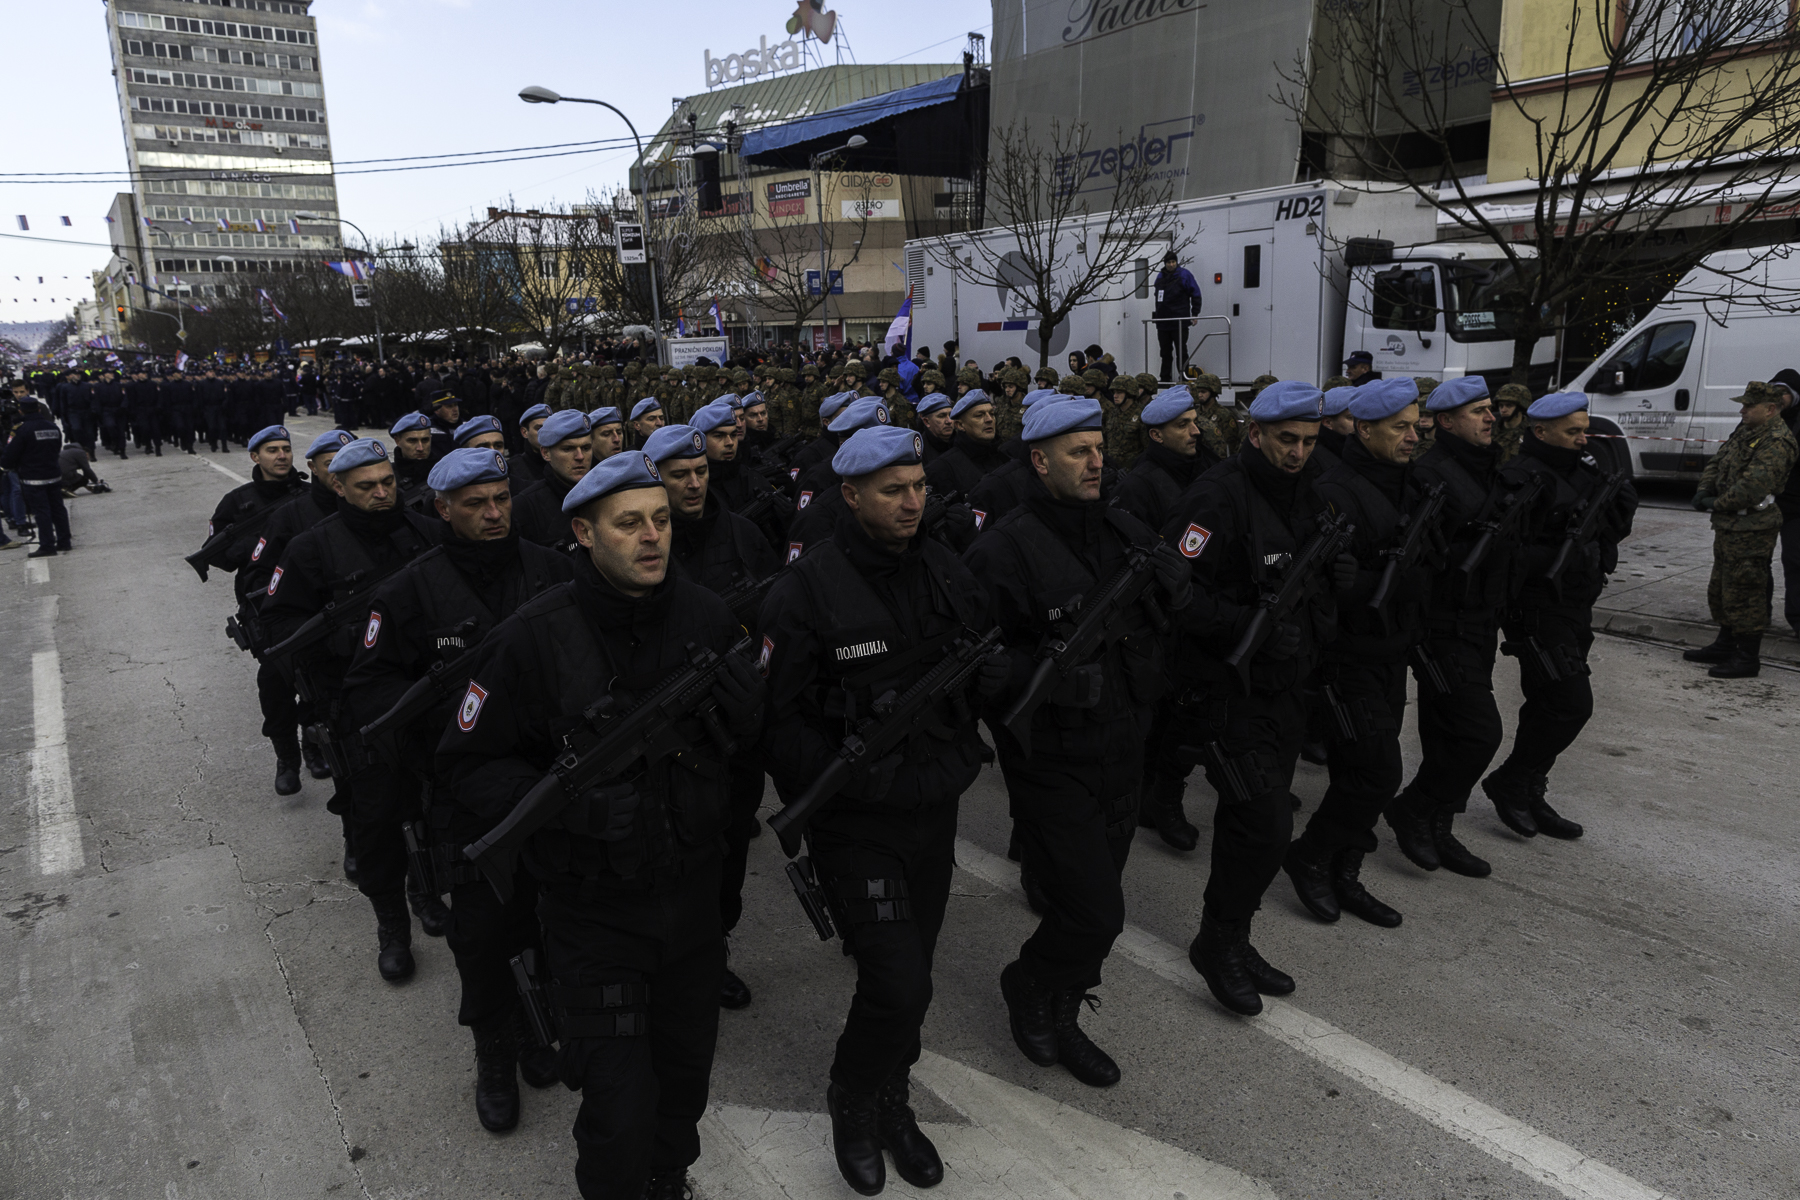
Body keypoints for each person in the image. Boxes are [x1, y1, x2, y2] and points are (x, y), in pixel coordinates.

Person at [437, 451, 764, 1200]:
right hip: (594, 918)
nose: (653, 537)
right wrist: (572, 808)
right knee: (618, 1110)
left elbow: (742, 759)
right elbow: (466, 764)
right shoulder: (532, 637)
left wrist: (749, 718)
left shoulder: (707, 616)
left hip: (691, 903)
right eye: (629, 525)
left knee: (683, 1085)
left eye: (660, 520)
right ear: (583, 533)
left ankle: (669, 1179)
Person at [761, 424, 1000, 1195]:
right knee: (897, 980)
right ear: (851, 495)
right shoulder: (803, 591)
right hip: (857, 820)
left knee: (915, 968)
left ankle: (895, 1097)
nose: (911, 502)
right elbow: (777, 721)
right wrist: (851, 776)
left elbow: (979, 664)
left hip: (933, 808)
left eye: (918, 487)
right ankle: (854, 1095)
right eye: (893, 491)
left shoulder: (941, 567)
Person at [342, 446, 573, 1133]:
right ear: (441, 509)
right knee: (481, 935)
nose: (494, 513)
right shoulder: (410, 591)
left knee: (552, 916)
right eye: (475, 504)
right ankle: (494, 1050)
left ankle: (540, 1027)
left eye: (501, 499)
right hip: (464, 796)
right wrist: (445, 749)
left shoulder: (555, 570)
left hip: (552, 778)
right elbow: (371, 691)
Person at [967, 396, 1191, 1088]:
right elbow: (979, 666)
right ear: (1039, 460)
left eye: (1100, 449)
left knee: (1089, 903)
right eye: (1078, 451)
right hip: (1051, 760)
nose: (1097, 462)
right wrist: (1048, 678)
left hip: (1125, 746)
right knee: (1097, 911)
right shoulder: (1002, 550)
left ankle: (1063, 1008)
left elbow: (1174, 609)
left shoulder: (1123, 528)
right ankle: (1029, 983)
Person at [1158, 381, 1354, 1015]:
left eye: (1308, 441)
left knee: (1255, 827)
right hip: (1225, 690)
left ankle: (1233, 934)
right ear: (1255, 435)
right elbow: (1172, 590)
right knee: (1266, 822)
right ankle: (1217, 941)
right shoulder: (1217, 498)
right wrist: (1245, 626)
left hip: (1285, 688)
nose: (1298, 453)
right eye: (1286, 441)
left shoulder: (1309, 495)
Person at [263, 439, 443, 982]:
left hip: (428, 694)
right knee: (377, 820)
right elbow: (278, 630)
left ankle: (426, 890)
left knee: (433, 806)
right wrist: (335, 655)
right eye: (367, 487)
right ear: (336, 486)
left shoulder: (424, 532)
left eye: (387, 482)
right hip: (357, 708)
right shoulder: (311, 550)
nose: (383, 493)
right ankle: (391, 924)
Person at [1285, 379, 1435, 928]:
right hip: (1345, 657)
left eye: (1417, 425)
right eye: (1400, 427)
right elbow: (1315, 582)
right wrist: (1364, 581)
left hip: (1391, 649)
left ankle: (1344, 873)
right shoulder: (1335, 490)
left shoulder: (1411, 483)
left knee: (1359, 772)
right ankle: (1309, 857)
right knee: (1377, 771)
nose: (1413, 436)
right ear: (1364, 427)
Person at [647, 422, 780, 1010]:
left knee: (729, 851)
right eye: (681, 475)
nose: (696, 483)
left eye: (700, 471)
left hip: (732, 734)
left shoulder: (744, 534)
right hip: (664, 736)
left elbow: (777, 623)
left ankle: (713, 951)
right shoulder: (642, 541)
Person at [1480, 392, 1637, 842]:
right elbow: (1503, 550)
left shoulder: (1585, 468)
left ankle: (1529, 787)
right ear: (1541, 431)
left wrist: (1617, 510)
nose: (1582, 439)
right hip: (1535, 607)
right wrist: (1555, 550)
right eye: (1572, 432)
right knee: (1570, 703)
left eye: (1584, 429)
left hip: (1574, 603)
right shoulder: (1521, 476)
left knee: (1546, 702)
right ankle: (1511, 779)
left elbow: (1611, 530)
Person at [1680, 381, 1796, 677]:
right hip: (1730, 524)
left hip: (1753, 525)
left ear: (1770, 409)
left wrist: (1714, 502)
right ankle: (1725, 643)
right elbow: (1718, 462)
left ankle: (1747, 657)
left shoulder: (1778, 440)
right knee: (1723, 585)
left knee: (1746, 588)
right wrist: (1704, 490)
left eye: (1749, 406)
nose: (1742, 410)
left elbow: (1754, 486)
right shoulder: (1745, 431)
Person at [512, 409, 594, 552]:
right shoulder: (526, 507)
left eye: (586, 448)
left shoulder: (604, 496)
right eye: (568, 449)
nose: (580, 456)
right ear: (546, 453)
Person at [1, 395, 72, 558]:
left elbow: (10, 456)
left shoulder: (21, 429)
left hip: (33, 478)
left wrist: (9, 465)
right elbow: (56, 448)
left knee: (42, 512)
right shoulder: (52, 427)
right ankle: (64, 541)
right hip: (53, 474)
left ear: (21, 411)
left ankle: (47, 545)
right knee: (58, 509)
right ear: (39, 409)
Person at [924, 389, 1009, 497]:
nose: (989, 419)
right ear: (960, 425)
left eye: (992, 414)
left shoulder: (1004, 458)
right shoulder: (942, 470)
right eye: (979, 415)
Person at [1153, 251, 1202, 382]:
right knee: (1165, 353)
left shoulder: (1184, 275)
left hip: (1179, 321)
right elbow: (1157, 298)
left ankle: (1184, 378)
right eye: (1169, 262)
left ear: (1176, 262)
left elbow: (1196, 294)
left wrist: (1195, 313)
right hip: (1163, 321)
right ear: (1165, 263)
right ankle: (1164, 379)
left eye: (1173, 262)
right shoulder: (1160, 277)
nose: (1171, 264)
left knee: (1181, 351)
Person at [390, 413, 437, 514]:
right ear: (398, 441)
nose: (420, 448)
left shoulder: (443, 471)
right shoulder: (389, 475)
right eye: (412, 441)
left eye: (425, 440)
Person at [511, 402, 550, 490]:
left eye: (549, 428)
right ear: (525, 432)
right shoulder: (514, 468)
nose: (545, 433)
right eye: (539, 428)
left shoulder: (561, 462)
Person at [915, 392, 955, 463]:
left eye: (951, 415)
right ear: (927, 422)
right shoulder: (920, 451)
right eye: (942, 416)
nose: (949, 421)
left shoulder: (962, 442)